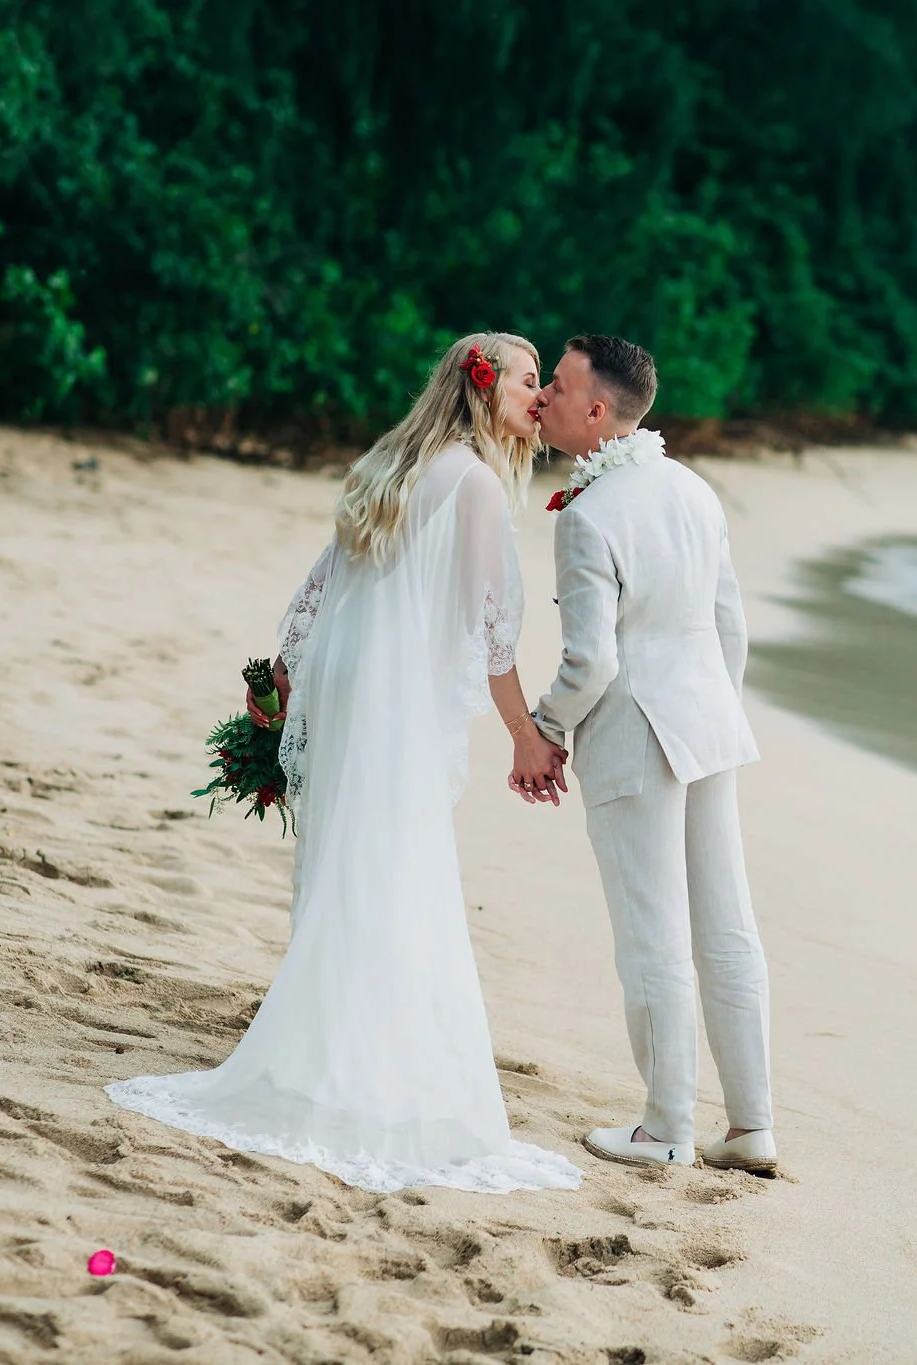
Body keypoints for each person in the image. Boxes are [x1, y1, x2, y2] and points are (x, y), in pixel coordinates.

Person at [105, 333, 582, 1195]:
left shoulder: (391, 462)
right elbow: (492, 634)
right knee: (397, 865)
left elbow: (315, 592)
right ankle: (364, 1070)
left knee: (350, 861)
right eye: (524, 379)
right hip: (395, 701)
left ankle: (326, 1042)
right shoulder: (473, 482)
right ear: (482, 390)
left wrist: (284, 679)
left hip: (349, 687)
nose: (538, 395)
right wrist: (524, 732)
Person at [528, 334, 777, 1174]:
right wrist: (713, 699)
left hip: (635, 729)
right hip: (708, 721)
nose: (543, 400)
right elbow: (729, 624)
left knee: (651, 932)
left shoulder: (591, 514)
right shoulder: (694, 490)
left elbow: (591, 661)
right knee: (726, 924)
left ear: (598, 411)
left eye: (557, 388)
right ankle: (751, 1125)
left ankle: (666, 1125)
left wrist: (547, 726)